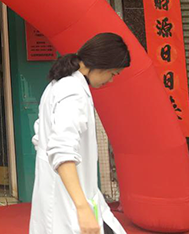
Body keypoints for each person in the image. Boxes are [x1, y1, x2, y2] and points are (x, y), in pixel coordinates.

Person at [29, 33, 131, 234]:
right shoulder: (73, 92)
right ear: (102, 65)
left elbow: (40, 136)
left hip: (64, 194)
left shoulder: (58, 85)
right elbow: (61, 150)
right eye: (113, 73)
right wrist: (82, 207)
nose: (111, 80)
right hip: (70, 201)